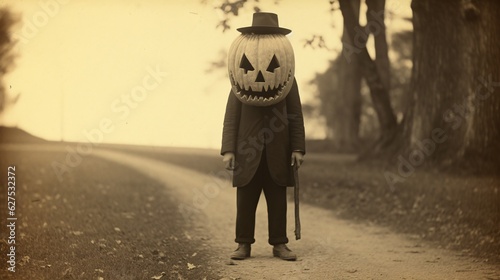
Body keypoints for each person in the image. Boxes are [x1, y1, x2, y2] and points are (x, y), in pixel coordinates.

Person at [221, 12, 305, 261]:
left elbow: (296, 114)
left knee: (278, 200)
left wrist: (298, 147)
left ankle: (279, 243)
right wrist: (228, 150)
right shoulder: (240, 77)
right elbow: (231, 117)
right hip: (247, 151)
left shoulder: (287, 77)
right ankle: (243, 244)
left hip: (278, 150)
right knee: (245, 200)